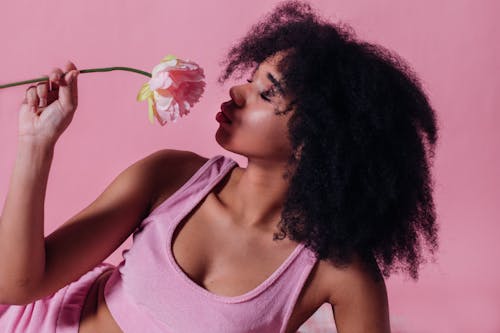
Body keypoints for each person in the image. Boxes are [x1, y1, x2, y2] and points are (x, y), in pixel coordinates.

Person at [0, 0, 439, 332]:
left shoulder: (340, 272)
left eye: (267, 94)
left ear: (319, 139)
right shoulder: (172, 177)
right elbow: (19, 286)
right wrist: (36, 145)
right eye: (250, 79)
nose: (237, 93)